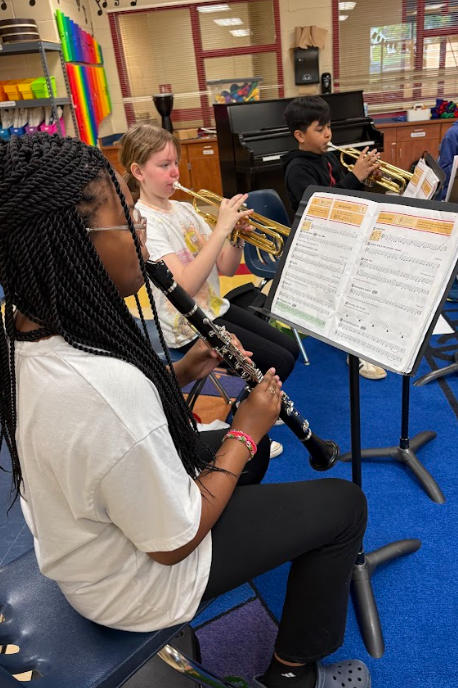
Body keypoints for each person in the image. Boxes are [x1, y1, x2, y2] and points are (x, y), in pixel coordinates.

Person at [0, 133, 369, 688]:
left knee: (234, 454)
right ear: (71, 245)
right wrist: (244, 431)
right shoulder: (104, 390)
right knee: (343, 504)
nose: (140, 234)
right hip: (135, 583)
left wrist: (181, 372)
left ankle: (239, 543)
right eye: (126, 220)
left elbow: (101, 433)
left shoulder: (28, 327)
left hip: (84, 546)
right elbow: (172, 544)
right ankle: (294, 674)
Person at [119, 123, 300, 388]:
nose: (175, 172)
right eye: (164, 165)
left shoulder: (186, 210)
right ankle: (251, 409)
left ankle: (259, 397)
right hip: (185, 326)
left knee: (289, 348)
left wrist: (236, 237)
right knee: (280, 361)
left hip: (214, 308)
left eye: (176, 163)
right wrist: (222, 228)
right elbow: (184, 287)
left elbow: (226, 267)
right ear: (138, 172)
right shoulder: (144, 222)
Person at [282, 96, 387, 382]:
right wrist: (355, 176)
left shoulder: (328, 156)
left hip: (341, 233)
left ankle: (372, 326)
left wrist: (364, 178)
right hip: (317, 242)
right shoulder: (297, 169)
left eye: (329, 127)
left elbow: (349, 196)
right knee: (361, 272)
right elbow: (323, 205)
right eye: (320, 129)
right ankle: (356, 344)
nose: (328, 134)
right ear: (300, 136)